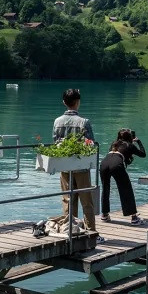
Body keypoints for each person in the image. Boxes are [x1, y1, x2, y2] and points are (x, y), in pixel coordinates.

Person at [51, 88, 98, 232]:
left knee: (68, 200)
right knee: (86, 201)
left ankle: (70, 229)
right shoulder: (84, 122)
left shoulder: (57, 121)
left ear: (64, 102)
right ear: (78, 102)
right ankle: (90, 231)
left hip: (64, 167)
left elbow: (54, 143)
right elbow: (91, 144)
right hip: (81, 166)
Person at [100, 128, 147, 225]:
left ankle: (104, 215)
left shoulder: (114, 144)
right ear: (130, 137)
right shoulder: (130, 145)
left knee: (105, 189)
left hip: (104, 163)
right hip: (116, 164)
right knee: (126, 190)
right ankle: (134, 218)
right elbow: (143, 154)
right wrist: (138, 141)